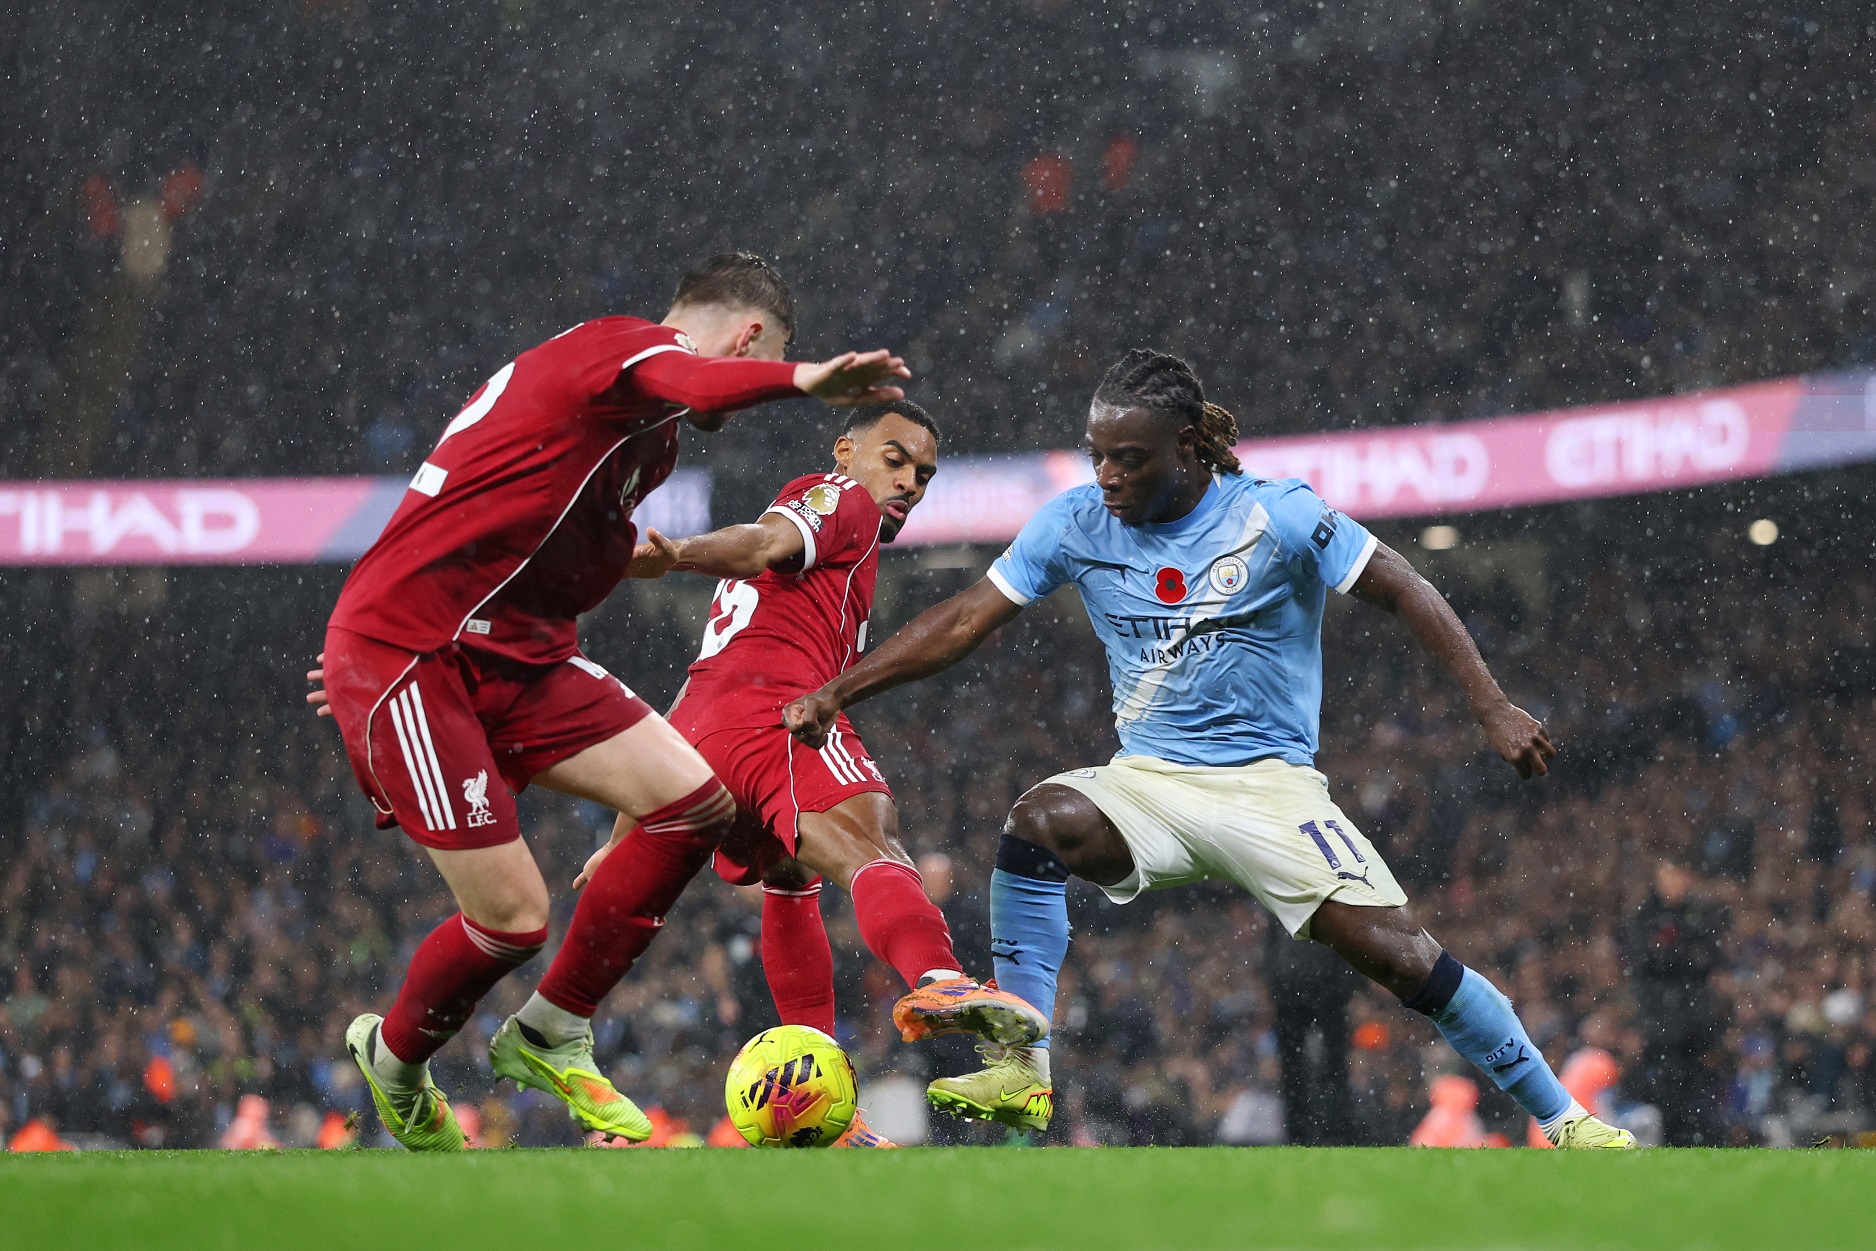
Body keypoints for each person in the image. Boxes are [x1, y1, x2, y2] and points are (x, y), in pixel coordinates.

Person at [785, 348, 1637, 1149]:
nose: (1108, 477)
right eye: (1097, 456)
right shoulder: (1078, 520)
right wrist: (840, 687)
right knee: (1039, 820)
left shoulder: (1276, 512)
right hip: (1151, 782)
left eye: (1128, 458)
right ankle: (1021, 1072)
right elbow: (965, 617)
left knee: (1403, 958)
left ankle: (1566, 1121)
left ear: (1187, 446)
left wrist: (1489, 704)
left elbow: (1403, 587)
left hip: (1270, 789)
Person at [310, 252, 910, 1150]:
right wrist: (803, 380)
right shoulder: (619, 352)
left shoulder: (644, 439)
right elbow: (693, 381)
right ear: (749, 337)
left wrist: (655, 554)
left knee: (694, 801)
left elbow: (561, 543)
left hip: (517, 653)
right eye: (763, 352)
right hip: (418, 651)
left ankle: (552, 1029)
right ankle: (394, 1061)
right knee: (513, 917)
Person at [586, 400, 1048, 1147]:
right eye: (895, 458)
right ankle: (937, 976)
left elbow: (690, 691)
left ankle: (817, 1108)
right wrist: (680, 554)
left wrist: (624, 825)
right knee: (874, 842)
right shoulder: (841, 498)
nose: (909, 483)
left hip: (700, 736)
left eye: (924, 474)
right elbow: (760, 542)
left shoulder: (806, 566)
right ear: (846, 450)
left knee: (792, 880)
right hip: (771, 712)